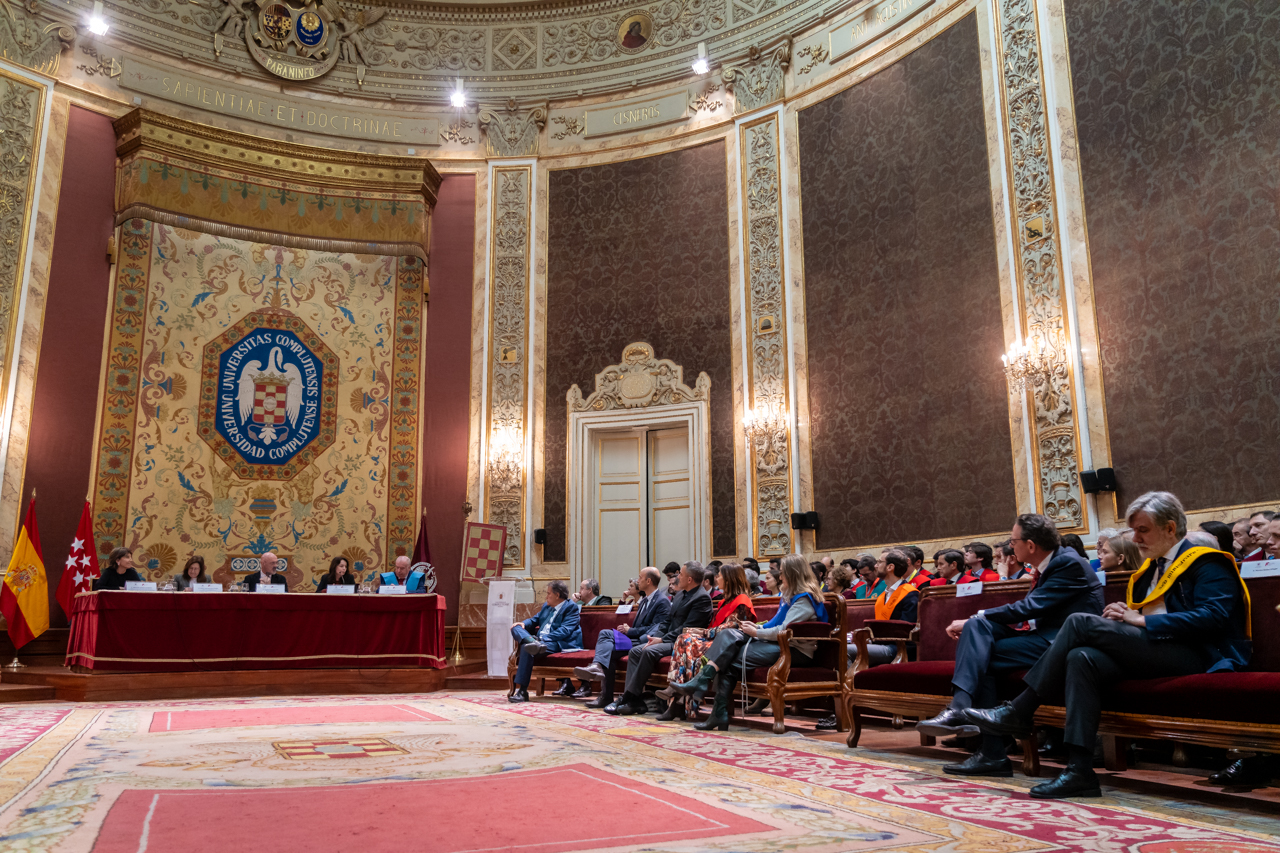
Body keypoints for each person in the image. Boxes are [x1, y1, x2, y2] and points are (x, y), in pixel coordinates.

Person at [963, 492, 1250, 799]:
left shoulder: (1208, 563)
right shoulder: (1152, 567)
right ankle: (1079, 771)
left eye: (1143, 530)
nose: (1135, 538)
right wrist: (1127, 617)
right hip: (1156, 650)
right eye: (1134, 530)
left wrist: (1140, 621)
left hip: (1198, 655)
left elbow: (1213, 618)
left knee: (1078, 621)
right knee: (1080, 657)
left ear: (1169, 528)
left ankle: (1019, 710)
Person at [915, 512, 1104, 779]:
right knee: (977, 631)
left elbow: (1030, 608)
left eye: (1013, 541)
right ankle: (962, 711)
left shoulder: (1067, 563)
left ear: (1030, 545)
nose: (1009, 547)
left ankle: (989, 749)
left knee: (982, 653)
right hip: (1040, 637)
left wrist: (975, 615)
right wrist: (975, 620)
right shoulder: (1051, 564)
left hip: (1060, 643)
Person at [671, 554, 828, 730]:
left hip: (795, 651)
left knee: (728, 656)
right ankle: (716, 710)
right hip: (780, 645)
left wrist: (755, 632)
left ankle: (713, 704)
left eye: (782, 573)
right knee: (729, 643)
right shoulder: (791, 596)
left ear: (793, 574)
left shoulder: (804, 599)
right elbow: (774, 624)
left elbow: (783, 631)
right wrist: (756, 628)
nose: (780, 577)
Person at [603, 562, 712, 716]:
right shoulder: (680, 594)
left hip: (684, 643)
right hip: (668, 639)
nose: (677, 577)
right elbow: (667, 621)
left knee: (649, 651)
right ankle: (634, 701)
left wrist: (661, 641)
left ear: (689, 579)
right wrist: (656, 637)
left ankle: (627, 697)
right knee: (635, 651)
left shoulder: (702, 598)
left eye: (680, 574)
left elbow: (687, 629)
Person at [657, 562, 756, 720]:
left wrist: (700, 631)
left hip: (728, 645)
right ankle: (679, 701)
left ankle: (676, 696)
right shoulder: (724, 601)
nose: (717, 578)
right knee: (684, 639)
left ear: (729, 580)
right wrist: (699, 632)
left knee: (685, 639)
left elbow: (732, 628)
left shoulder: (742, 600)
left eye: (720, 576)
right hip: (713, 641)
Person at [576, 567, 673, 708]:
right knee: (605, 637)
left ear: (649, 581)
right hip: (634, 639)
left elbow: (656, 628)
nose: (638, 580)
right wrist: (631, 631)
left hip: (644, 641)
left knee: (606, 641)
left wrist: (631, 630)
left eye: (640, 577)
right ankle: (604, 692)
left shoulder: (661, 601)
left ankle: (601, 672)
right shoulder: (645, 600)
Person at [509, 580, 582, 703]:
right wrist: (523, 623)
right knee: (516, 628)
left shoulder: (571, 607)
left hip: (557, 642)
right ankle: (532, 642)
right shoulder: (547, 606)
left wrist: (542, 639)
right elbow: (534, 620)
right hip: (539, 643)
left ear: (557, 595)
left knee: (528, 647)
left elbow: (565, 631)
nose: (546, 596)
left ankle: (522, 691)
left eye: (548, 593)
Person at [852, 549, 919, 666]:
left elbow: (905, 631)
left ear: (890, 567)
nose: (876, 565)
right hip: (881, 644)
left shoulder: (910, 594)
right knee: (845, 647)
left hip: (899, 648)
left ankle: (851, 684)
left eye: (879, 562)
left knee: (848, 651)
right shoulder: (883, 595)